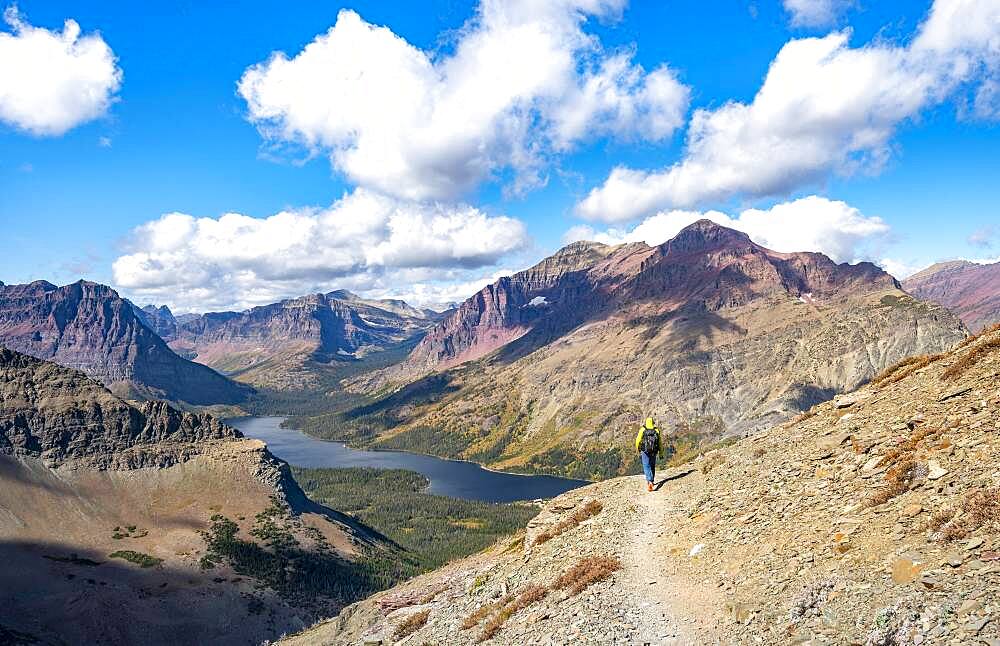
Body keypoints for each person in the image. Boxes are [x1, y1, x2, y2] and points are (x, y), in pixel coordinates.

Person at [634, 417, 665, 492]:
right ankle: (652, 480)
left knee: (646, 465)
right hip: (654, 451)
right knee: (652, 465)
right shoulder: (656, 430)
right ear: (652, 422)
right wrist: (661, 453)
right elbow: (660, 443)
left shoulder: (643, 430)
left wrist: (637, 448)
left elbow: (637, 440)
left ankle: (650, 481)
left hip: (645, 451)